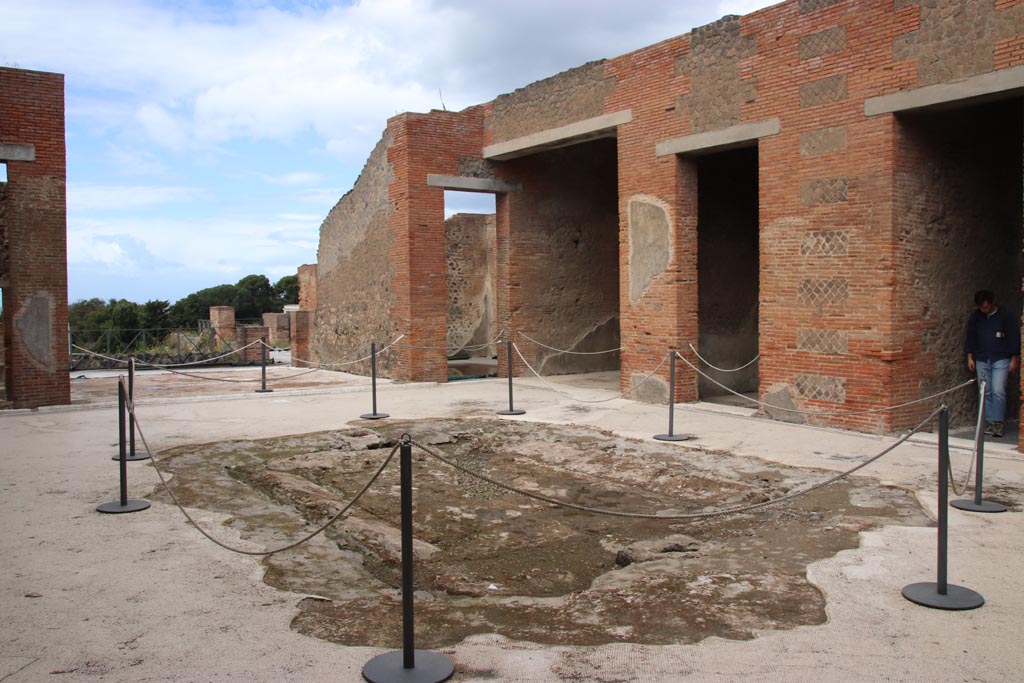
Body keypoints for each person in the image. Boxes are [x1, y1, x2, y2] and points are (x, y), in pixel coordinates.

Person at [965, 289, 1020, 437]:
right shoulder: (976, 317)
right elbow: (971, 336)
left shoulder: (1006, 316)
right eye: (981, 307)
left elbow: (1014, 337)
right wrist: (970, 356)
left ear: (992, 303)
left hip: (1001, 359)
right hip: (982, 359)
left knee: (998, 390)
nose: (984, 310)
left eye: (986, 307)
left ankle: (998, 423)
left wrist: (1014, 358)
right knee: (985, 392)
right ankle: (988, 422)